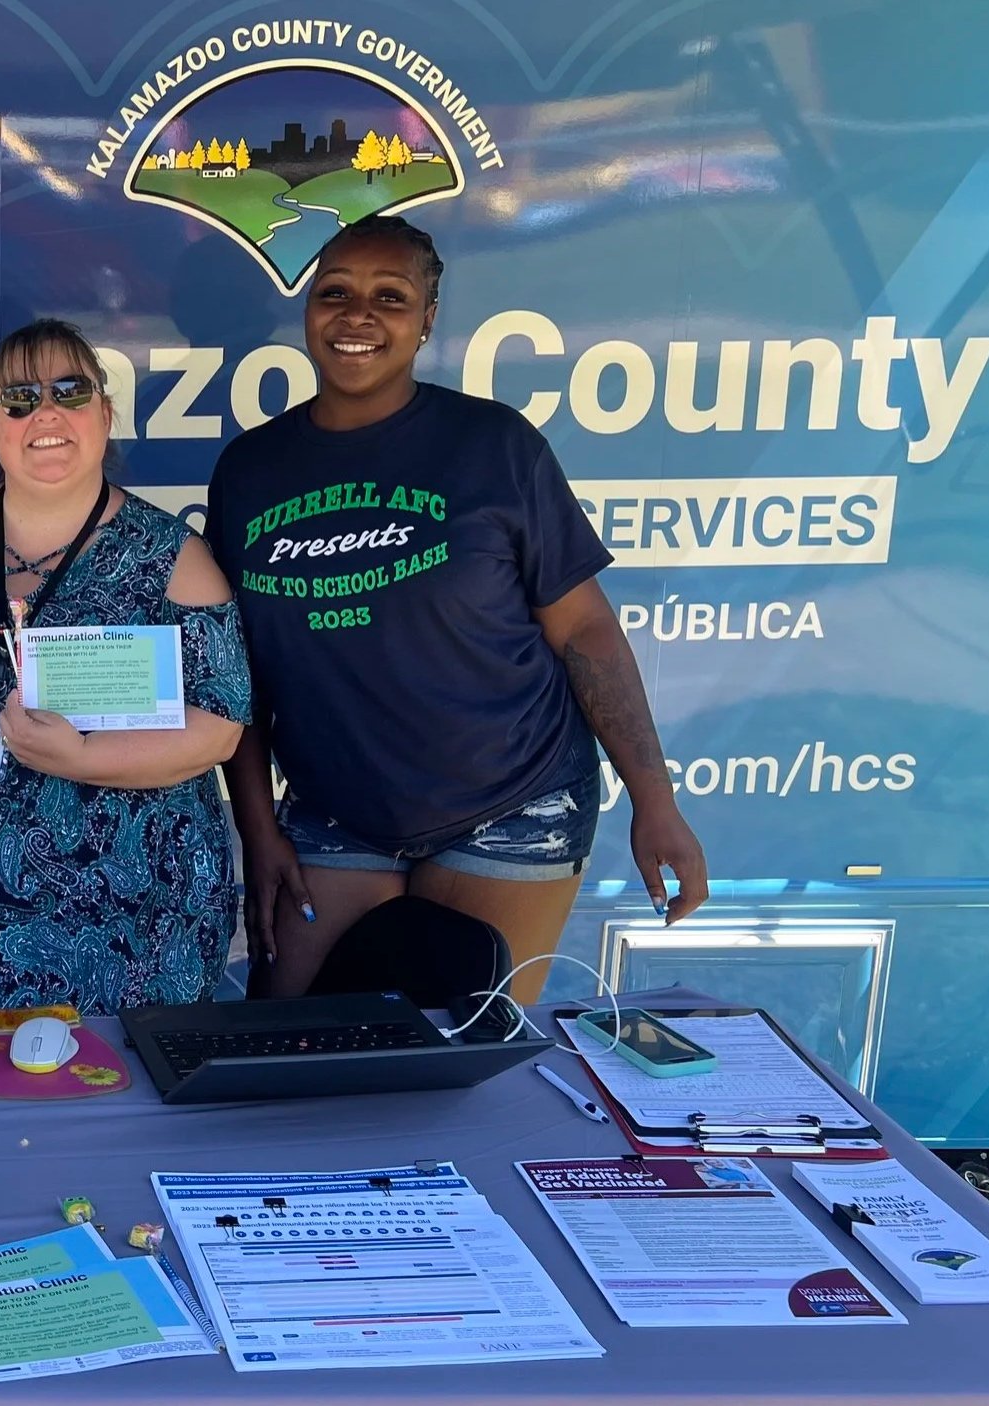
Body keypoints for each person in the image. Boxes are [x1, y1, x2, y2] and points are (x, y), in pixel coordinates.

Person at [205, 215, 708, 1003]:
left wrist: (656, 801)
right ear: (307, 309)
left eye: (390, 296)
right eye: (335, 292)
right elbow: (240, 674)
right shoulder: (251, 469)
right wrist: (259, 830)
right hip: (339, 810)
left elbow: (584, 630)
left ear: (427, 319)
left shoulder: (493, 446)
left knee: (462, 1048)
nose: (358, 314)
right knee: (287, 1041)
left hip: (514, 800)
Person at [0, 318, 250, 1014]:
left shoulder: (173, 558)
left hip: (137, 925)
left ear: (107, 414)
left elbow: (220, 729)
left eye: (70, 390)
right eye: (20, 398)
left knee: (124, 1113)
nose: (46, 413)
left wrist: (81, 756)